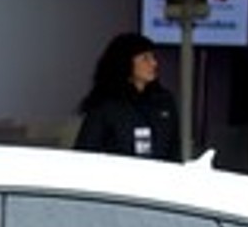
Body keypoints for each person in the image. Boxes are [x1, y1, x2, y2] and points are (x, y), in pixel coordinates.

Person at [73, 31, 182, 160]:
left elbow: (175, 150)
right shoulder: (105, 105)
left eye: (153, 57)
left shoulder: (164, 101)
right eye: (145, 58)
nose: (154, 63)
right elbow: (85, 153)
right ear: (125, 62)